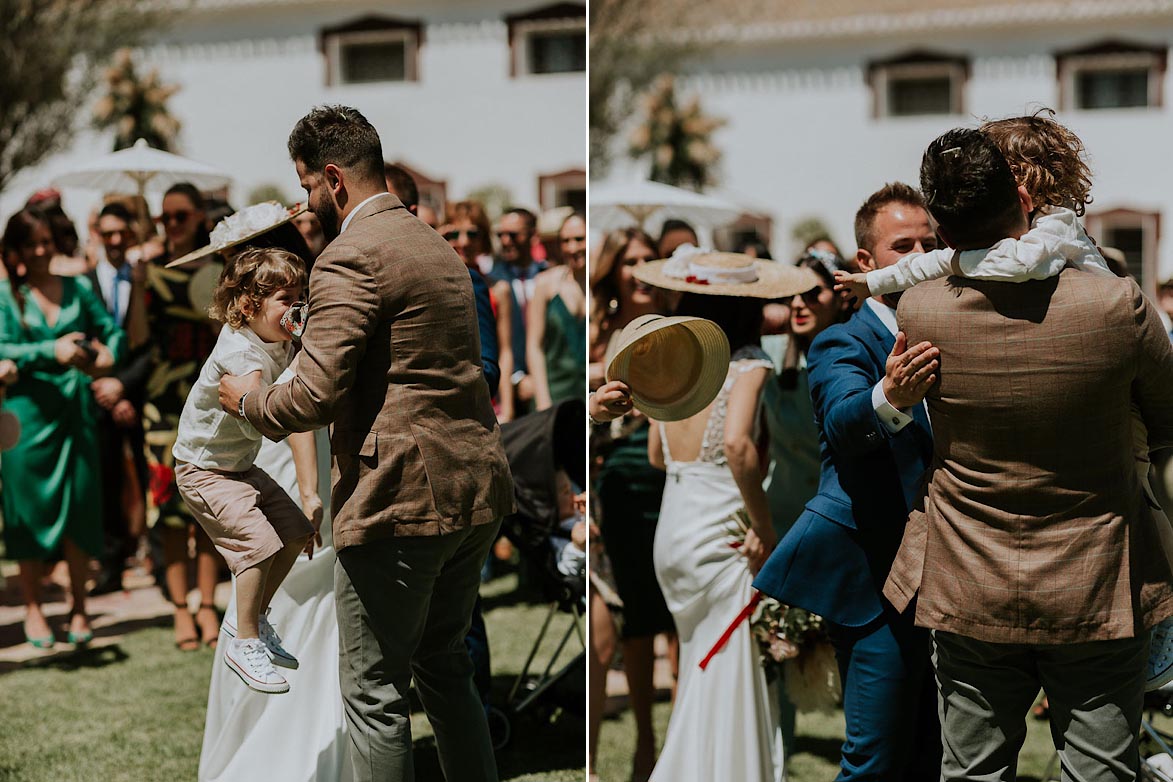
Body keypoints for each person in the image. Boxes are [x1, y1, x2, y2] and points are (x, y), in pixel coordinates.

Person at [218, 104, 514, 782]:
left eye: (304, 185)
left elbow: (311, 396)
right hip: (475, 484)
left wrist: (246, 399)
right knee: (445, 669)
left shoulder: (350, 255)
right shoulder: (435, 244)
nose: (305, 201)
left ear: (331, 177)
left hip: (400, 499)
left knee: (374, 691)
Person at [883, 127, 1173, 780]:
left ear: (943, 224)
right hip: (1096, 579)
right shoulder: (1113, 303)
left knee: (972, 772)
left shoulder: (919, 310)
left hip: (968, 576)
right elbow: (1167, 418)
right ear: (1021, 196)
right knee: (1100, 772)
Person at [753, 183, 943, 781]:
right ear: (866, 263)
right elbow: (841, 423)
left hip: (941, 578)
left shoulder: (952, 329)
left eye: (930, 244)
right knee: (874, 759)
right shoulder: (843, 339)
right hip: (872, 577)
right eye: (902, 245)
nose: (919, 256)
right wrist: (890, 397)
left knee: (924, 755)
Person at [634, 251, 818, 782]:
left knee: (699, 661)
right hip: (720, 531)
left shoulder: (673, 361)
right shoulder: (750, 363)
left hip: (673, 527)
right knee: (731, 667)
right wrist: (764, 528)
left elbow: (654, 452)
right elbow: (739, 445)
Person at [173, 246, 316, 694]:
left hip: (237, 466)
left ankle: (253, 620)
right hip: (204, 470)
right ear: (248, 305)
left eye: (300, 297)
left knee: (295, 532)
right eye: (284, 299)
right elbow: (263, 413)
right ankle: (244, 640)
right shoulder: (241, 351)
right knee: (259, 544)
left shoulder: (279, 340)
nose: (296, 307)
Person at [0, 208, 125, 648]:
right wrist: (48, 350)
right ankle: (33, 607)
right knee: (27, 512)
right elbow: (2, 347)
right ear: (14, 250)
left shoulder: (77, 288)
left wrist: (105, 358)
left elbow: (113, 333)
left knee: (81, 509)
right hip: (24, 417)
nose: (39, 250)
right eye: (30, 244)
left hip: (75, 413)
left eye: (46, 241)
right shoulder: (5, 295)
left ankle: (79, 607)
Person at [588, 227, 673, 781]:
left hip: (673, 478)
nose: (641, 270)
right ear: (615, 269)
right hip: (615, 482)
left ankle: (681, 741)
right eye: (632, 261)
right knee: (637, 618)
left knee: (678, 617)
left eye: (651, 261)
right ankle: (644, 743)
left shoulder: (680, 329)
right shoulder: (596, 335)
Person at [142, 181, 227, 651]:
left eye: (179, 216)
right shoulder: (150, 270)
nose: (171, 225)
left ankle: (209, 604)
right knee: (169, 512)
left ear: (199, 217)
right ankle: (180, 609)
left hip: (208, 399)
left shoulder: (220, 268)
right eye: (164, 217)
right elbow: (138, 337)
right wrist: (138, 288)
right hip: (160, 404)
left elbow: (228, 337)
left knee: (208, 507)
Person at [86, 202, 154, 595]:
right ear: (97, 233)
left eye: (121, 234)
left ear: (132, 235)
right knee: (107, 480)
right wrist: (108, 388)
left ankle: (158, 562)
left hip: (139, 392)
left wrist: (124, 387)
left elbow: (151, 346)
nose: (114, 241)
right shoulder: (83, 281)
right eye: (107, 233)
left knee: (151, 477)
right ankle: (111, 566)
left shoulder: (147, 279)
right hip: (99, 396)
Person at [440, 200, 515, 418]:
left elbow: (505, 351)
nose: (463, 242)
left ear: (483, 239)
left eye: (472, 234)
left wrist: (507, 407)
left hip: (488, 388)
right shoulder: (435, 283)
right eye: (455, 233)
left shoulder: (498, 289)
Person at [528, 211, 586, 409]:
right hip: (553, 393)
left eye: (579, 239)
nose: (573, 247)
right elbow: (534, 346)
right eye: (565, 241)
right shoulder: (545, 284)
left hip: (589, 397)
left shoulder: (602, 288)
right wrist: (543, 401)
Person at [492, 206, 546, 408]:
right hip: (507, 391)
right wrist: (516, 378)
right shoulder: (492, 280)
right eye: (501, 235)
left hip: (545, 386)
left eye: (513, 235)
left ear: (533, 236)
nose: (506, 241)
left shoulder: (548, 276)